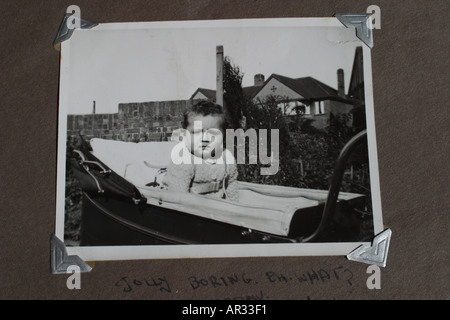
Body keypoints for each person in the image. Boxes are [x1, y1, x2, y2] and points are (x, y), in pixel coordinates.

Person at [162, 100, 239, 201]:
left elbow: (231, 185)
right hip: (190, 210)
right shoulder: (184, 159)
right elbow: (178, 197)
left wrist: (234, 208)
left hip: (218, 210)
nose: (204, 139)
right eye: (196, 132)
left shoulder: (226, 157)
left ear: (223, 135)